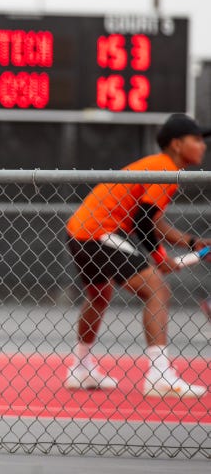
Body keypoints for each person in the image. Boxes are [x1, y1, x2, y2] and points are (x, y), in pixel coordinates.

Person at [64, 113, 210, 398]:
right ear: (177, 144)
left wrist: (192, 242)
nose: (203, 145)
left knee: (99, 295)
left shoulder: (161, 168)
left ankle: (80, 369)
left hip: (80, 231)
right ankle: (159, 374)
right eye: (196, 139)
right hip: (98, 233)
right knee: (157, 288)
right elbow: (144, 221)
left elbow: (152, 221)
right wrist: (159, 258)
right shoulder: (165, 168)